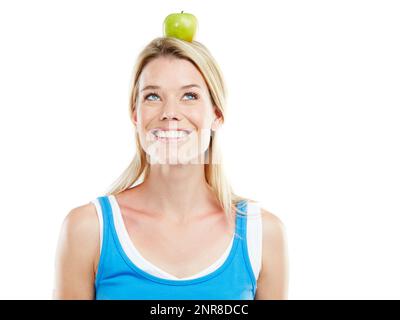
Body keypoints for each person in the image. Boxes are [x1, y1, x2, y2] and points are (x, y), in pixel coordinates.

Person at [53, 37, 289, 300]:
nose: (170, 112)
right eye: (153, 96)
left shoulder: (263, 234)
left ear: (217, 115)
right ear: (135, 115)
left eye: (189, 96)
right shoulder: (87, 229)